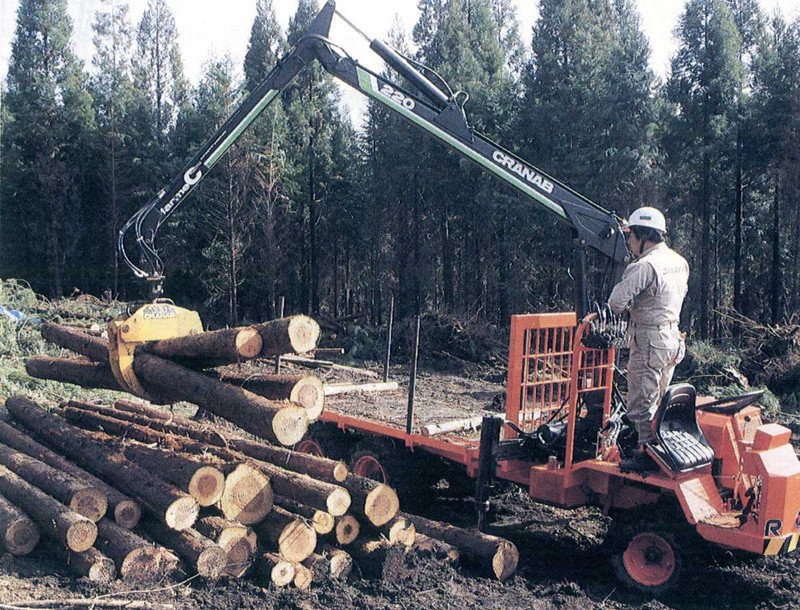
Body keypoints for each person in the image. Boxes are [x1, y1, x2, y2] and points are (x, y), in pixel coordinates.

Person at [608, 206, 689, 473]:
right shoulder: (679, 261)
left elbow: (615, 302)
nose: (630, 243)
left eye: (631, 237)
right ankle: (658, 447)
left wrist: (633, 308)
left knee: (640, 404)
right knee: (659, 399)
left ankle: (646, 454)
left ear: (643, 236)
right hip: (672, 338)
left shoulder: (644, 266)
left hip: (649, 339)